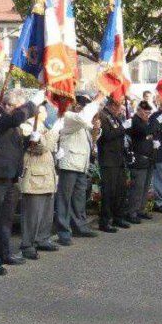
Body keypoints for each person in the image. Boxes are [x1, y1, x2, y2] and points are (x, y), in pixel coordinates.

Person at [0, 88, 43, 275]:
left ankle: (4, 252)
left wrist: (28, 141)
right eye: (6, 104)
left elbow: (13, 147)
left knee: (6, 219)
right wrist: (33, 104)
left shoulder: (13, 122)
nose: (7, 107)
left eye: (12, 105)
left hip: (11, 176)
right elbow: (15, 119)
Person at [53, 94, 103, 246]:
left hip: (81, 164)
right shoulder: (68, 117)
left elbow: (92, 140)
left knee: (79, 198)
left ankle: (79, 226)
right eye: (82, 106)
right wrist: (97, 101)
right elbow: (82, 119)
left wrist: (96, 129)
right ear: (77, 106)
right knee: (64, 199)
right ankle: (63, 231)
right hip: (69, 163)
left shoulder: (82, 121)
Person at [18, 105, 62, 260]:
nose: (46, 113)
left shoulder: (43, 126)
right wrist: (55, 130)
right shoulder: (28, 125)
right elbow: (43, 147)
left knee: (46, 213)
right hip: (34, 176)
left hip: (46, 174)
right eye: (43, 110)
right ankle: (27, 244)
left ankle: (42, 238)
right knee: (32, 214)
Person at [97, 98, 131, 232]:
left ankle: (118, 217)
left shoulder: (114, 117)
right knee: (108, 192)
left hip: (118, 159)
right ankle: (105, 221)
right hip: (108, 160)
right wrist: (123, 128)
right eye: (118, 105)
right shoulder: (103, 116)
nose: (120, 108)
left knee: (120, 190)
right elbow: (107, 135)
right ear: (111, 105)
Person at [127, 101, 155, 222]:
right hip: (138, 159)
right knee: (137, 187)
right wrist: (157, 122)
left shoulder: (145, 121)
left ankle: (140, 209)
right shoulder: (135, 121)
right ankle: (132, 212)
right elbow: (146, 131)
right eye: (145, 112)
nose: (147, 115)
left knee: (144, 187)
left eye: (149, 112)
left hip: (148, 159)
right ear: (139, 111)